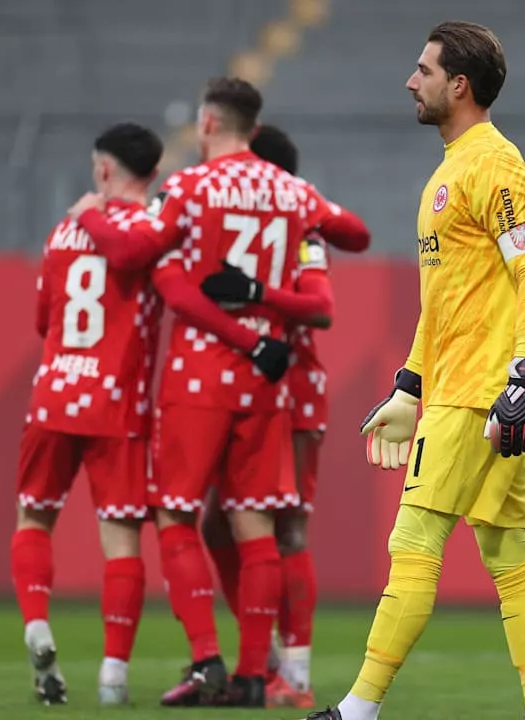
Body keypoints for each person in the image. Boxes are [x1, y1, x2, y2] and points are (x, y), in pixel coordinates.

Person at [68, 78, 369, 708]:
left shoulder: (187, 188)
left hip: (200, 375)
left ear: (206, 125)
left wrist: (90, 213)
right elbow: (355, 232)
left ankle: (208, 658)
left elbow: (132, 252)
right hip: (267, 380)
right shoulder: (292, 190)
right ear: (254, 130)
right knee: (255, 522)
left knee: (177, 515)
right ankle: (257, 676)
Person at [307, 21, 525, 720]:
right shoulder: (451, 169)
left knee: (413, 540)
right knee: (510, 551)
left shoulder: (495, 165)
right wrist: (407, 385)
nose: (408, 80)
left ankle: (359, 710)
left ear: (459, 85)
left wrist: (520, 375)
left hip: (481, 394)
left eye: (422, 70)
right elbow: (447, 301)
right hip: (462, 388)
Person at [199, 123, 366, 710]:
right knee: (217, 523)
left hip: (292, 383)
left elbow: (322, 307)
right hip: (244, 384)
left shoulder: (301, 230)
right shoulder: (234, 220)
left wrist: (254, 291)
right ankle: (265, 657)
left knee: (287, 525)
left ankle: (294, 672)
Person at [10, 122, 164, 706]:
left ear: (103, 170)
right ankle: (113, 678)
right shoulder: (152, 229)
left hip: (53, 394)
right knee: (122, 541)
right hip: (117, 402)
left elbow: (44, 321)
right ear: (151, 173)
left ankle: (36, 626)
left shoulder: (63, 231)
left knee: (33, 520)